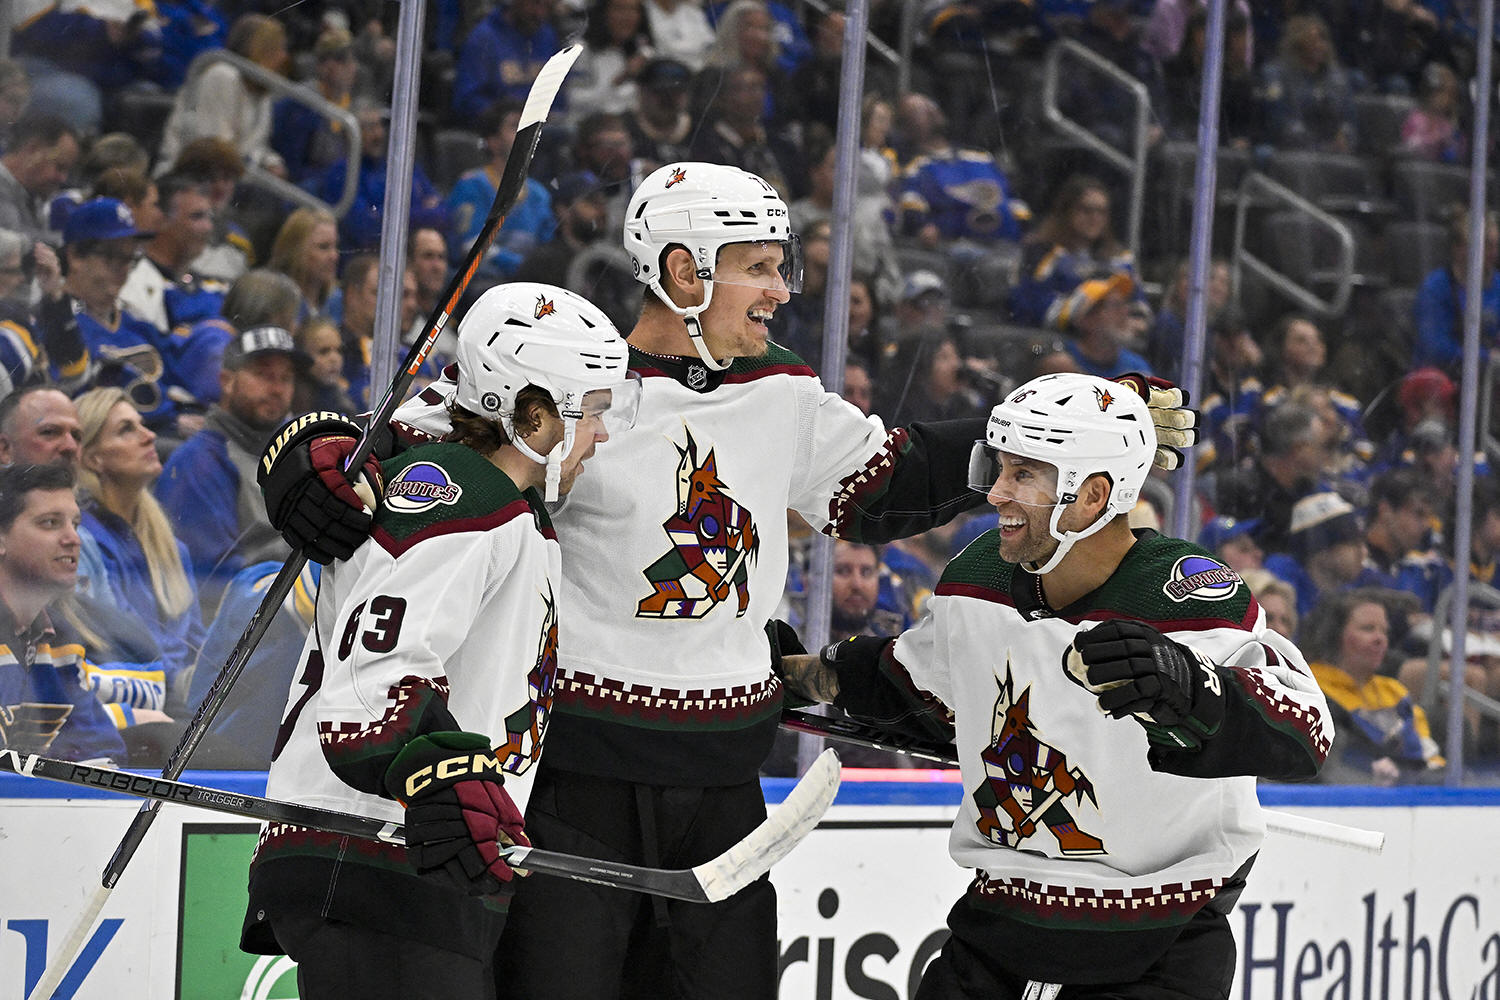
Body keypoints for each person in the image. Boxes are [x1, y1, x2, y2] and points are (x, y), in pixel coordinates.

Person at [257, 162, 1196, 1000]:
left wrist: (1072, 429)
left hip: (722, 789)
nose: (783, 290)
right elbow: (418, 447)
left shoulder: (781, 391)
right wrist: (308, 454)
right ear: (684, 272)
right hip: (576, 783)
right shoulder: (574, 379)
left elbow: (891, 479)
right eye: (760, 267)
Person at [776, 372, 1331, 996]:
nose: (996, 494)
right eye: (1000, 468)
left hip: (1156, 942)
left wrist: (1193, 688)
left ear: (1092, 496)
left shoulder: (1186, 593)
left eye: (1024, 475)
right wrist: (786, 675)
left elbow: (1307, 731)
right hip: (999, 930)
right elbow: (910, 683)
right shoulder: (979, 577)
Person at [241, 282, 637, 1000]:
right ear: (535, 415)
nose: (601, 436)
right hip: (370, 857)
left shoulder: (508, 510)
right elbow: (373, 679)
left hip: (407, 868)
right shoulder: (459, 492)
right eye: (592, 412)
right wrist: (441, 776)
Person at [76, 387, 204, 718]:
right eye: (126, 430)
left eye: (143, 425)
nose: (149, 436)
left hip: (185, 702)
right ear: (92, 459)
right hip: (132, 706)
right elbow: (119, 647)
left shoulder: (173, 548)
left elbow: (198, 645)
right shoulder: (79, 543)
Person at [155, 326, 302, 612]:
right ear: (227, 381)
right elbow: (215, 590)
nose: (277, 389)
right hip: (239, 629)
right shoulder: (198, 463)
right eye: (263, 375)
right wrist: (308, 545)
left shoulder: (291, 452)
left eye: (285, 378)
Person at [0, 462, 127, 764]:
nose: (73, 539)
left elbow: (101, 756)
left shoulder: (60, 638)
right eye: (50, 523)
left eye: (75, 524)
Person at [1303, 587, 1443, 785]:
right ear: (1335, 634)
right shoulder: (1308, 686)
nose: (1380, 639)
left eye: (1384, 631)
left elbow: (1430, 757)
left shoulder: (1395, 691)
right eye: (1368, 629)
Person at [0, 114, 80, 240]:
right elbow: (15, 240)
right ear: (33, 150)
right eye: (59, 167)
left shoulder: (33, 195)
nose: (63, 178)